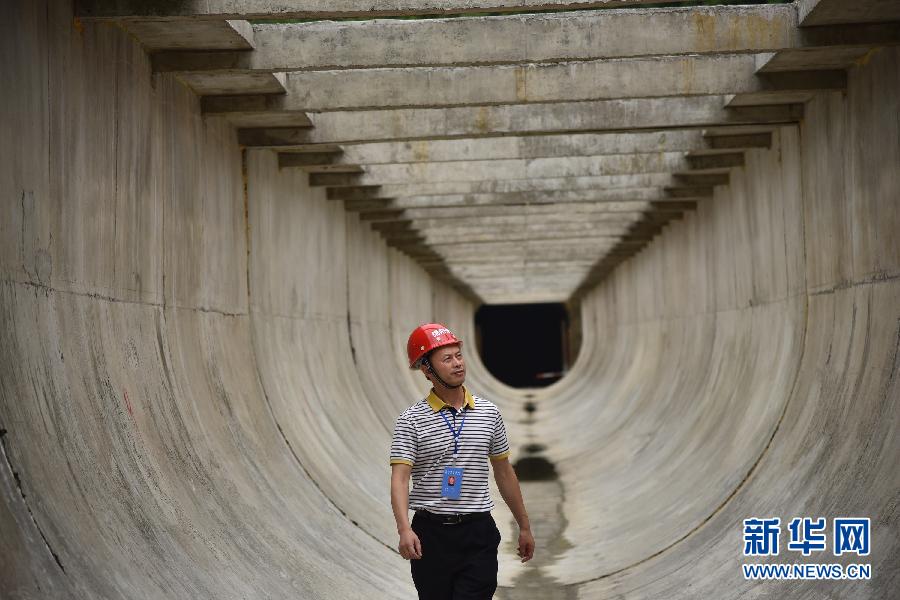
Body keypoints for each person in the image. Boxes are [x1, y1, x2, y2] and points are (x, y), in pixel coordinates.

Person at [390, 323, 535, 600]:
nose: (457, 363)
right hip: (430, 536)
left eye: (458, 355)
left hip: (477, 532)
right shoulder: (411, 421)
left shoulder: (489, 414)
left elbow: (504, 473)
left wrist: (524, 526)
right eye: (447, 359)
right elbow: (400, 478)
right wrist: (404, 529)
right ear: (427, 369)